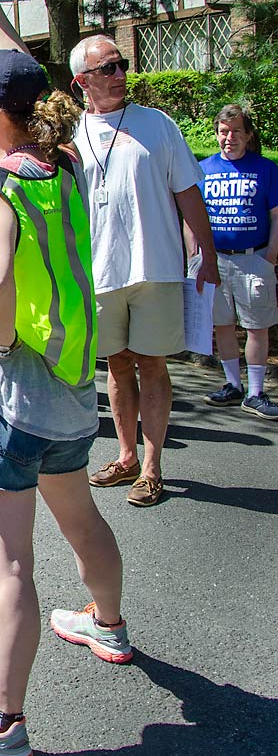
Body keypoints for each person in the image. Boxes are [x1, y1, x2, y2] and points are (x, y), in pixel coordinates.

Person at [0, 48, 130, 756]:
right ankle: (109, 624)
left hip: (11, 395)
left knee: (7, 564)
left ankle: (3, 721)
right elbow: (31, 78)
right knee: (81, 517)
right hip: (71, 388)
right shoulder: (63, 162)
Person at [71, 33, 219, 507]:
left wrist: (208, 255)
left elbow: (187, 192)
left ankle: (152, 467)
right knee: (116, 365)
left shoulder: (157, 124)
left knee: (152, 364)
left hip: (154, 264)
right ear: (82, 81)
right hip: (99, 270)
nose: (120, 75)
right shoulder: (69, 134)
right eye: (108, 68)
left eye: (121, 65)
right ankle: (127, 455)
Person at [192, 104, 278, 419]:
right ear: (217, 134)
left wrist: (270, 255)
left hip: (253, 260)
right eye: (224, 132)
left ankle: (255, 392)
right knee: (222, 324)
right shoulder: (204, 169)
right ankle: (233, 385)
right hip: (215, 261)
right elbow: (193, 214)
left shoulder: (266, 169)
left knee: (257, 326)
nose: (230, 138)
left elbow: (276, 215)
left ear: (248, 135)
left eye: (237, 131)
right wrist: (194, 251)